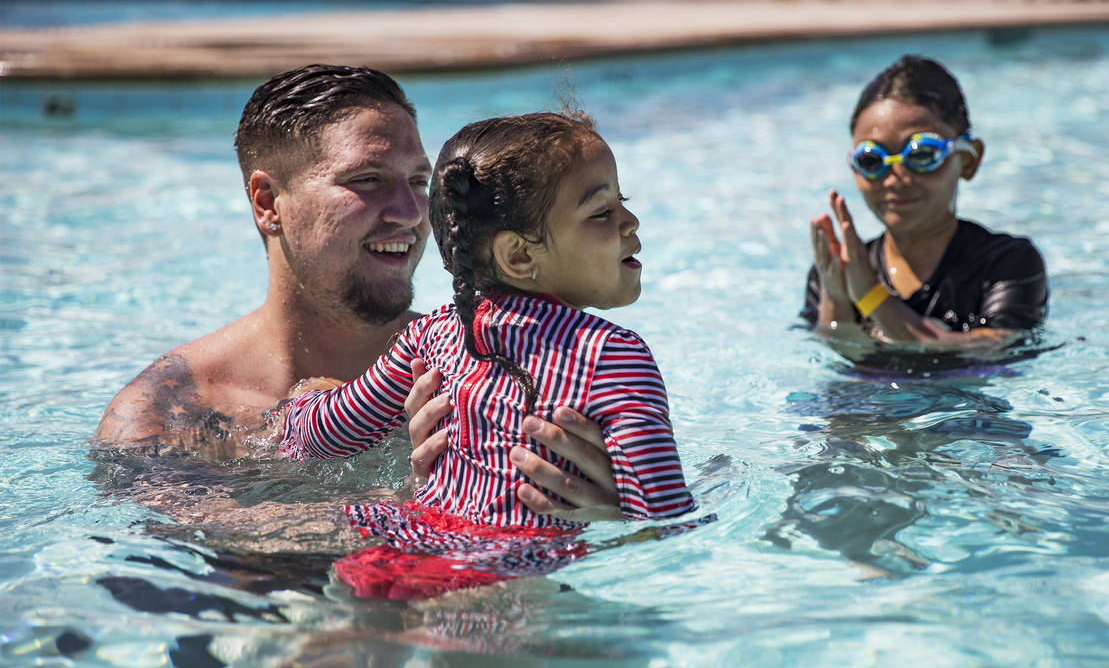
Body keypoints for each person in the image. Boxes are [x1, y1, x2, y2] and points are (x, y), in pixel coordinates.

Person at [93, 64, 618, 519]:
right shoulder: (170, 415)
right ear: (268, 201)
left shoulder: (504, 359)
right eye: (367, 181)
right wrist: (419, 506)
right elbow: (196, 569)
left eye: (418, 182)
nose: (412, 215)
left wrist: (607, 512)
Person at [280, 111, 698, 598]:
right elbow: (664, 517)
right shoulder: (613, 355)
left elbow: (328, 434)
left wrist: (300, 405)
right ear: (520, 256)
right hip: (503, 573)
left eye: (621, 202)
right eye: (601, 212)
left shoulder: (434, 333)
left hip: (395, 547)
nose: (630, 221)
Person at [801, 55, 1048, 357]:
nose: (894, 179)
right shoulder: (833, 272)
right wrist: (836, 297)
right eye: (871, 160)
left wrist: (869, 295)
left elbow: (992, 354)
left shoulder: (1006, 265)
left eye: (921, 155)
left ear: (968, 161)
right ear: (855, 171)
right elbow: (838, 369)